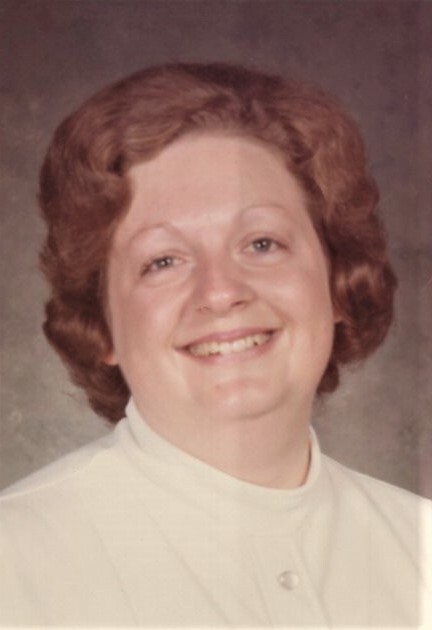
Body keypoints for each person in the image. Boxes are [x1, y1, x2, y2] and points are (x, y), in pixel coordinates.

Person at [0, 62, 430, 628]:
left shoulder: (419, 546)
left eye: (262, 243)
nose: (221, 292)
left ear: (337, 283)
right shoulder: (17, 566)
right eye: (163, 261)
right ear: (100, 327)